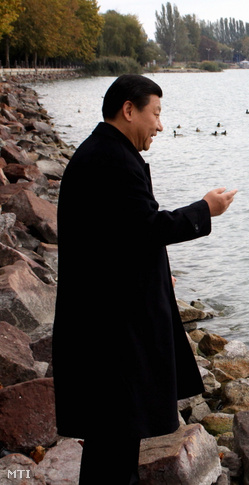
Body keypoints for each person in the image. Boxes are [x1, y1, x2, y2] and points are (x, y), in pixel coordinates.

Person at [52, 74, 237, 484]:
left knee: (111, 441)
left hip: (101, 323)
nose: (159, 125)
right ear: (129, 109)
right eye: (155, 113)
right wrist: (205, 209)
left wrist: (157, 269)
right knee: (115, 440)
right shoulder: (111, 160)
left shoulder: (104, 153)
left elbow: (119, 237)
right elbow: (146, 228)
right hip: (110, 333)